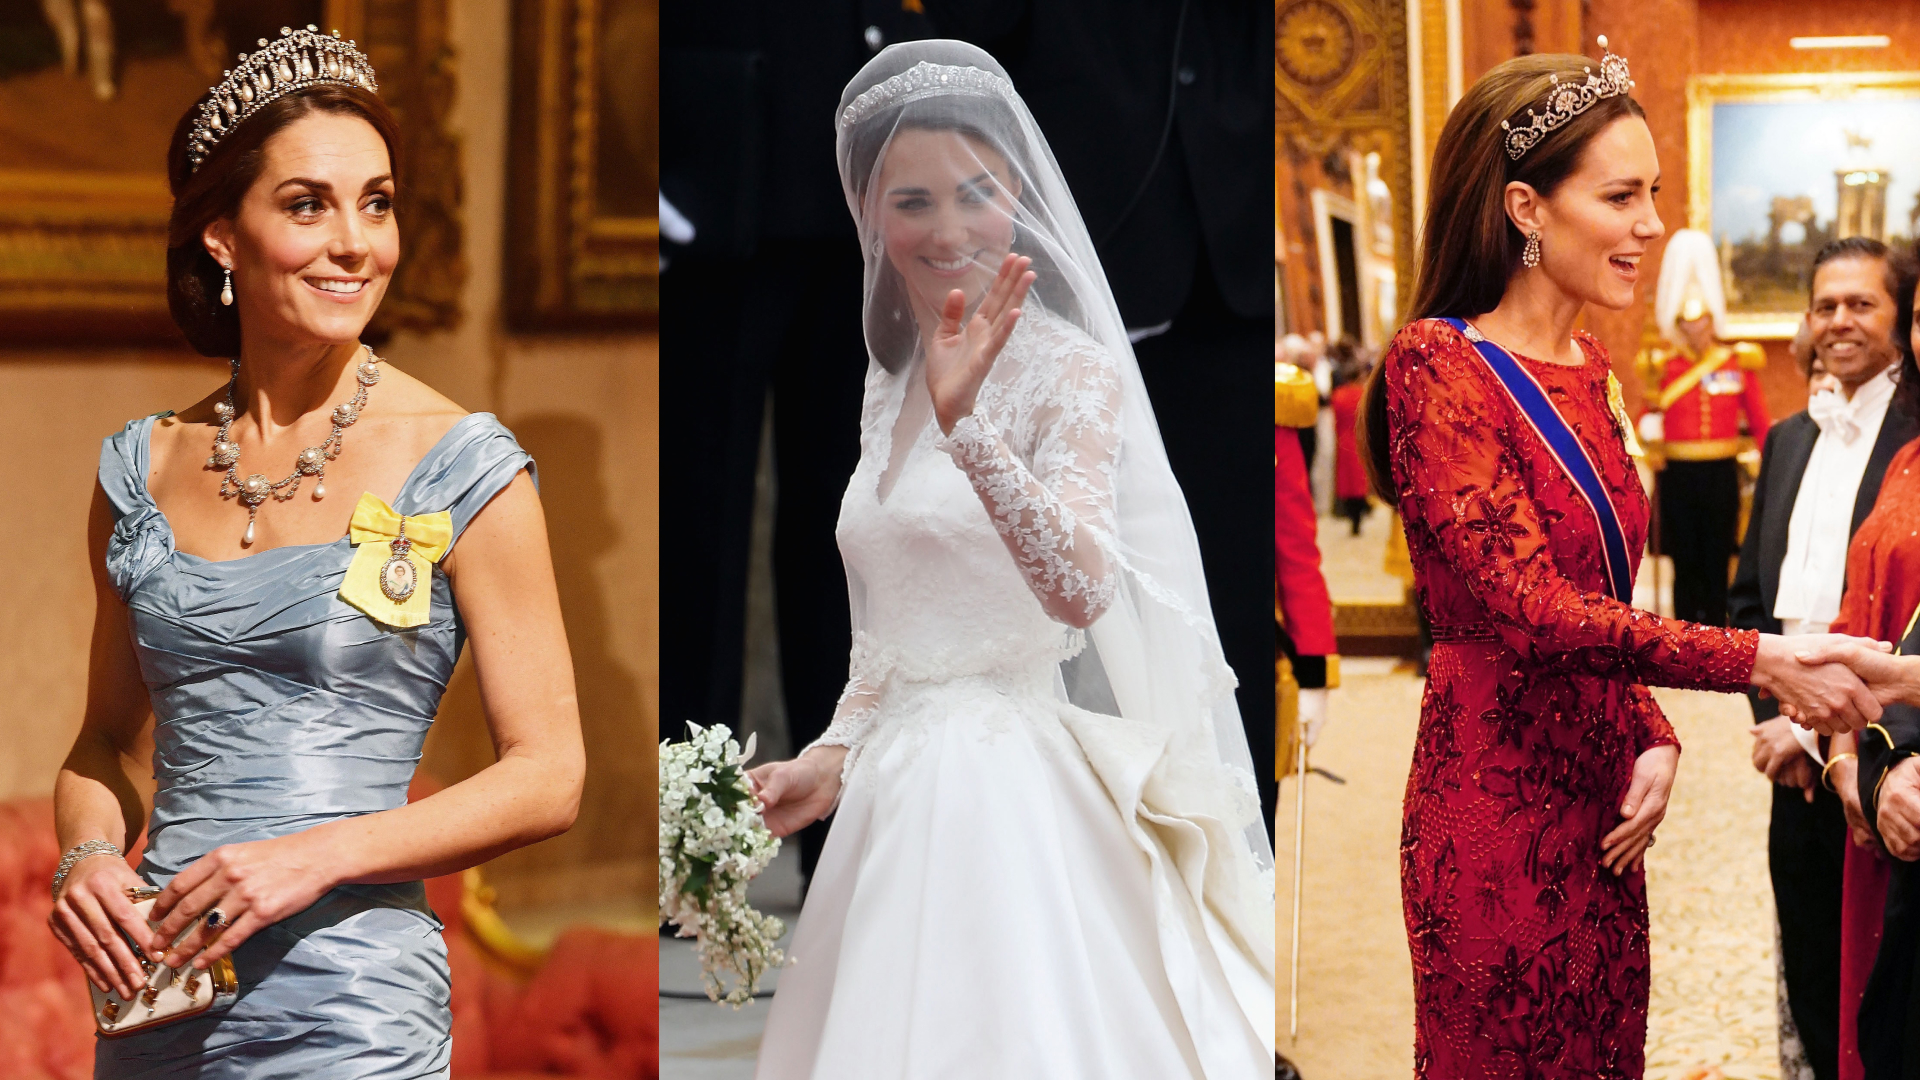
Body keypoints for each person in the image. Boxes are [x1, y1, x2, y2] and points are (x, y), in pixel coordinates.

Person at [46, 28, 584, 1077]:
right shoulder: (139, 474)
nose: (356, 244)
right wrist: (90, 856)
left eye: (375, 202)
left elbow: (551, 776)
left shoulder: (465, 465)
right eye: (308, 205)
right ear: (220, 237)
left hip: (350, 1008)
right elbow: (103, 742)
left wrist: (314, 856)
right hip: (161, 997)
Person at [1355, 40, 1884, 1078]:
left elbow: (1597, 597)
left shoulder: (1592, 367)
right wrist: (1764, 661)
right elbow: (1524, 607)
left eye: (1655, 192)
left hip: (1602, 815)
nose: (1652, 223)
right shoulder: (1439, 364)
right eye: (1623, 195)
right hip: (1493, 811)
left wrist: (1647, 728)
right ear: (1526, 209)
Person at [744, 42, 1272, 1078]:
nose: (946, 229)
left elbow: (1081, 586)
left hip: (1011, 792)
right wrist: (829, 759)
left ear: (1018, 195)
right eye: (913, 201)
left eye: (976, 194)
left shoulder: (1071, 367)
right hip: (894, 799)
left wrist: (970, 429)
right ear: (869, 215)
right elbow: (889, 639)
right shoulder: (883, 382)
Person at [912, 2, 1281, 833]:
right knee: (1059, 585)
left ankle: (1230, 851)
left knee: (1228, 591)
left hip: (1231, 261)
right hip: (1074, 241)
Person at [658, 1, 935, 886]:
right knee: (702, 524)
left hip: (863, 185)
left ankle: (838, 837)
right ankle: (688, 848)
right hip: (722, 158)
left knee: (845, 527)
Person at [1730, 236, 1920, 1080]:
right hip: (1791, 761)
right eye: (1825, 305)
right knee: (1809, 958)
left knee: (1886, 983)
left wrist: (1822, 736)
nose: (1839, 321)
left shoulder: (1917, 437)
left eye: (1862, 303)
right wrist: (1779, 724)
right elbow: (1747, 602)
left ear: (1901, 319)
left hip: (1886, 752)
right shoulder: (1782, 439)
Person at [1636, 227, 1770, 626]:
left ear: (1714, 317)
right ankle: (1683, 634)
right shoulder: (1661, 367)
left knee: (1717, 556)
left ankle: (1716, 630)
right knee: (1683, 558)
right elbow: (1644, 419)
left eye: (1703, 318)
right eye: (1687, 320)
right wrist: (1650, 429)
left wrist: (1772, 467)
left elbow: (1761, 422)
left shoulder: (1737, 361)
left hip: (1720, 473)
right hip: (1677, 473)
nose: (1696, 328)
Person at [1328, 340, 1372, 535]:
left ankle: (1352, 518)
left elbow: (1335, 421)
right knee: (1360, 478)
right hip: (1359, 438)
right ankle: (1359, 518)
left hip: (1344, 439)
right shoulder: (1362, 394)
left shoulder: (1337, 395)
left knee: (1347, 480)